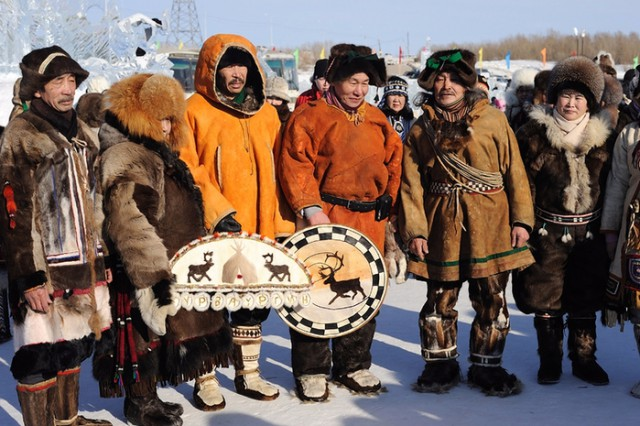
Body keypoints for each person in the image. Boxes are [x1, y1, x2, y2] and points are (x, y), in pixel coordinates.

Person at [92, 73, 232, 426]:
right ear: (139, 116)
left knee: (156, 332)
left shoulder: (160, 154)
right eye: (160, 118)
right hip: (141, 263)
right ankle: (140, 404)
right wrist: (151, 276)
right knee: (140, 334)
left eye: (172, 118)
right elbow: (127, 219)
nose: (168, 126)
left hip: (168, 260)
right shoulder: (128, 156)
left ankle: (149, 398)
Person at [398, 48, 535, 397]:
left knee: (491, 294)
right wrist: (415, 229)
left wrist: (522, 220)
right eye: (439, 79)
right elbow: (410, 184)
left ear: (467, 83)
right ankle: (440, 362)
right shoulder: (422, 127)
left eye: (454, 79)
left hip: (492, 219)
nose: (446, 85)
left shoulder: (493, 120)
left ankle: (487, 365)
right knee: (440, 295)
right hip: (442, 219)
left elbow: (515, 172)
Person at [279, 43, 403, 402]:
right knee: (316, 293)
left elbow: (395, 165)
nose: (359, 89)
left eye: (365, 82)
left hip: (368, 221)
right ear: (333, 81)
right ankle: (312, 369)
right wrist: (310, 207)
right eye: (352, 81)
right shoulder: (309, 117)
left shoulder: (378, 120)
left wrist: (388, 204)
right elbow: (295, 164)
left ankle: (353, 364)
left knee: (363, 292)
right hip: (325, 216)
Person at [0, 45, 112, 426]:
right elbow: (13, 210)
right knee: (37, 353)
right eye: (57, 81)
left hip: (81, 262)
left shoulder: (80, 132)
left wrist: (101, 257)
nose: (68, 89)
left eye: (71, 81)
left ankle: (68, 420)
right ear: (37, 89)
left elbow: (93, 199)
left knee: (73, 344)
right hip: (41, 265)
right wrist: (29, 276)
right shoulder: (23, 132)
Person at [179, 33, 290, 410]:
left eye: (242, 64)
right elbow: (186, 165)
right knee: (207, 306)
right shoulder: (193, 109)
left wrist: (282, 222)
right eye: (228, 64)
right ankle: (205, 378)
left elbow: (282, 168)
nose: (236, 72)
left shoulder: (267, 112)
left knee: (252, 303)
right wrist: (217, 210)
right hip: (213, 227)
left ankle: (249, 373)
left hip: (260, 225)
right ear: (211, 69)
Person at [512, 56, 611, 386]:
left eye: (579, 97)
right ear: (554, 97)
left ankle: (584, 359)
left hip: (590, 233)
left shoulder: (603, 139)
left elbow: (613, 185)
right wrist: (521, 224)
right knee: (546, 297)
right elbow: (520, 184)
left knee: (584, 297)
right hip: (546, 231)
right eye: (566, 95)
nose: (571, 103)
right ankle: (550, 360)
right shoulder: (532, 134)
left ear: (589, 102)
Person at [600, 72, 640, 399]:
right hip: (636, 235)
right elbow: (616, 187)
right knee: (639, 306)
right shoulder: (630, 136)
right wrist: (611, 231)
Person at [377, 75, 414, 142]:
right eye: (392, 94)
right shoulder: (377, 120)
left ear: (405, 99)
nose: (396, 100)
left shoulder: (413, 122)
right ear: (386, 97)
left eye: (400, 95)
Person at [505, 67, 538, 132]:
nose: (524, 94)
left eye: (528, 90)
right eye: (521, 90)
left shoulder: (539, 112)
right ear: (515, 93)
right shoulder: (509, 112)